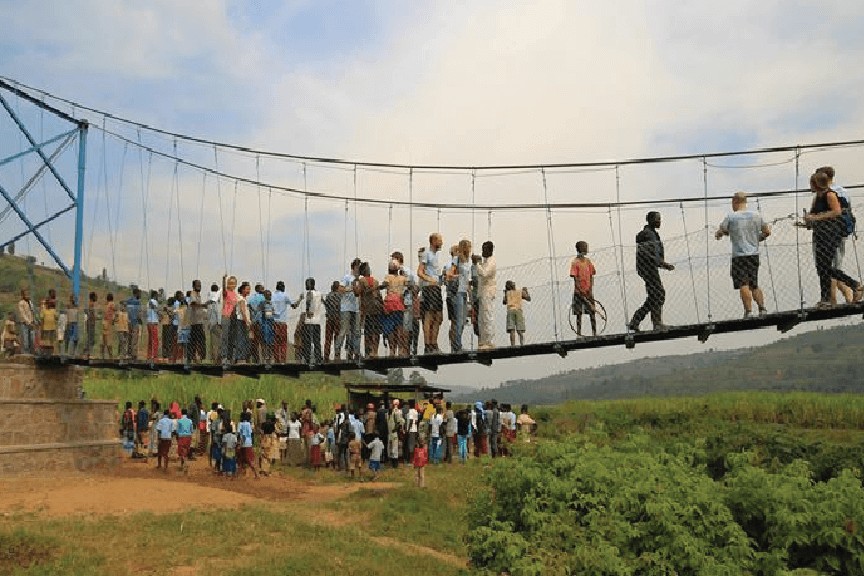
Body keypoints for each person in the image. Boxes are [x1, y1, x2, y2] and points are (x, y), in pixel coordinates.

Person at [804, 172, 863, 307]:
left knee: (825, 266)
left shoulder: (830, 195)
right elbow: (814, 213)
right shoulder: (817, 197)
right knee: (821, 267)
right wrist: (808, 218)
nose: (810, 186)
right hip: (820, 234)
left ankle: (853, 284)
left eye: (811, 183)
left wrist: (816, 217)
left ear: (817, 184)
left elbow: (836, 211)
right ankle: (826, 298)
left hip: (831, 234)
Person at [715, 192, 771, 318]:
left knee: (743, 284)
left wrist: (718, 234)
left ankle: (748, 312)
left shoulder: (731, 217)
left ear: (735, 201)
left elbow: (722, 230)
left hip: (739, 255)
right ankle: (762, 309)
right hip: (754, 255)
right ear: (745, 202)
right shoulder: (757, 215)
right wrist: (758, 239)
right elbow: (767, 232)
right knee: (754, 284)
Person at [628, 211, 675, 332]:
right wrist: (662, 263)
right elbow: (647, 253)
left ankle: (636, 321)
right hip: (648, 267)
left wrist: (661, 263)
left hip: (647, 267)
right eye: (658, 219)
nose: (660, 221)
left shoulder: (651, 234)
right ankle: (656, 323)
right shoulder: (649, 234)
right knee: (659, 294)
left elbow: (651, 253)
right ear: (651, 220)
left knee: (655, 295)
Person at [817, 166, 856, 304]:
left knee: (828, 267)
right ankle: (849, 294)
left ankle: (832, 300)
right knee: (833, 266)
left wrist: (814, 218)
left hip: (828, 234)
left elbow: (834, 212)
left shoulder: (828, 193)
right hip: (841, 231)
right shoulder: (843, 191)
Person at [418, 233, 444, 353]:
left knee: (438, 317)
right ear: (433, 241)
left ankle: (434, 343)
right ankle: (428, 345)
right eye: (440, 240)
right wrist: (430, 279)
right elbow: (420, 272)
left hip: (436, 288)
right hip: (429, 288)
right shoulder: (427, 253)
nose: (442, 242)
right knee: (429, 316)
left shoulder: (435, 255)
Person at [570, 241, 597, 337]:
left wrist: (590, 289)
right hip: (578, 293)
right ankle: (579, 333)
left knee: (592, 312)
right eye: (585, 247)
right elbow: (575, 278)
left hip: (588, 291)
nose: (586, 249)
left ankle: (594, 333)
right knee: (579, 313)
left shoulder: (588, 261)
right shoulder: (575, 262)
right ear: (580, 249)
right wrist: (580, 290)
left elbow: (591, 275)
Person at [382, 260, 408, 357]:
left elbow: (384, 284)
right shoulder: (403, 278)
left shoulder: (388, 277)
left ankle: (392, 350)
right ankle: (400, 350)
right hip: (399, 304)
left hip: (389, 304)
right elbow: (409, 285)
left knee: (390, 329)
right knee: (399, 328)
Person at [476, 241, 497, 350]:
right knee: (482, 318)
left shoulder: (491, 262)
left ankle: (489, 341)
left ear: (490, 250)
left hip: (488, 292)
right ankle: (483, 341)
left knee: (487, 317)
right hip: (483, 292)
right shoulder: (485, 261)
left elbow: (484, 273)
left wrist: (477, 264)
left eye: (484, 249)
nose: (482, 251)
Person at [303, 278, 324, 366]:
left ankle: (307, 360)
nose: (305, 286)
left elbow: (308, 302)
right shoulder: (319, 293)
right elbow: (323, 302)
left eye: (306, 284)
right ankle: (318, 359)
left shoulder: (309, 293)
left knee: (307, 342)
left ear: (311, 284)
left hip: (309, 321)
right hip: (317, 321)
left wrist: (307, 311)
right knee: (317, 341)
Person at [503, 281, 531, 346]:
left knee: (512, 330)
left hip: (510, 310)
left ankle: (513, 345)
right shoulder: (520, 292)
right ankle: (522, 344)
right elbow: (528, 299)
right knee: (520, 330)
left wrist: (505, 294)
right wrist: (526, 291)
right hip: (518, 310)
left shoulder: (507, 293)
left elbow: (504, 302)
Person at [220, 276, 239, 368]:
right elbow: (223, 290)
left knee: (232, 338)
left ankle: (230, 358)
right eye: (230, 283)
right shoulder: (226, 292)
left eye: (233, 283)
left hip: (233, 318)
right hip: (226, 316)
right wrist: (223, 280)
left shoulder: (235, 294)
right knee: (225, 338)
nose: (232, 285)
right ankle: (224, 358)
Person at [188, 280, 206, 363]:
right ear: (193, 286)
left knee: (200, 340)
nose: (199, 287)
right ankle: (194, 357)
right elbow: (193, 304)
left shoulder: (198, 294)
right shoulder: (193, 293)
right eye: (198, 285)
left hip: (199, 321)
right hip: (195, 322)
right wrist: (203, 305)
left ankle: (199, 357)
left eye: (200, 285)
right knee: (196, 340)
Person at [323, 281, 341, 362]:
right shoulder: (340, 296)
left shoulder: (328, 296)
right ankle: (337, 355)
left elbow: (326, 305)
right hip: (337, 318)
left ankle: (326, 356)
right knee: (337, 338)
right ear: (338, 287)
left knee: (328, 338)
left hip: (329, 318)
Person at [237, 412, 258, 478]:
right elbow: (250, 433)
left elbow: (242, 434)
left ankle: (239, 474)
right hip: (249, 443)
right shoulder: (248, 424)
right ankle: (255, 474)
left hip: (243, 443)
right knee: (249, 459)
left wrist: (239, 443)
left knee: (241, 459)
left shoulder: (240, 424)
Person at [124, 288, 142, 360]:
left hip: (128, 321)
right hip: (135, 322)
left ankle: (128, 353)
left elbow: (126, 310)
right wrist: (140, 320)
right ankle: (134, 354)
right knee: (134, 338)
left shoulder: (128, 301)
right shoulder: (137, 302)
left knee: (129, 337)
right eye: (139, 293)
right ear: (136, 293)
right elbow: (138, 313)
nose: (140, 295)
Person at [16, 290, 35, 354]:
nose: (27, 296)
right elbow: (22, 314)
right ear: (23, 295)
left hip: (31, 323)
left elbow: (32, 312)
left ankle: (31, 352)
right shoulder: (21, 303)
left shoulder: (30, 302)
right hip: (24, 324)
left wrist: (34, 321)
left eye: (28, 294)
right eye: (26, 294)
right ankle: (25, 353)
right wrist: (28, 322)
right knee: (25, 340)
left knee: (32, 339)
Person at [146, 290, 160, 361]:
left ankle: (149, 355)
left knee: (150, 340)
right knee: (155, 340)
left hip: (149, 322)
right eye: (157, 295)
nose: (158, 297)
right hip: (153, 323)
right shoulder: (154, 301)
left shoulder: (148, 302)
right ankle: (154, 356)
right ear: (155, 295)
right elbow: (156, 310)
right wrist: (160, 315)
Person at [84, 291, 97, 359]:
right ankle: (89, 353)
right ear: (93, 297)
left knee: (89, 338)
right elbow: (91, 313)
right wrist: (94, 317)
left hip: (89, 322)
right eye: (95, 296)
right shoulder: (91, 304)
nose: (96, 297)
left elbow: (86, 311)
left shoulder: (89, 303)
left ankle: (87, 353)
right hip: (91, 323)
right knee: (91, 338)